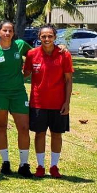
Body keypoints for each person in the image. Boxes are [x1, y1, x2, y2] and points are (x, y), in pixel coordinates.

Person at [0, 20, 33, 177]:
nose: (7, 33)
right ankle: (5, 162)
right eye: (4, 30)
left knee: (24, 127)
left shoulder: (20, 45)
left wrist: (26, 72)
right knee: (1, 126)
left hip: (18, 93)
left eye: (10, 31)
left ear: (13, 33)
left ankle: (24, 164)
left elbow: (36, 55)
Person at [24, 24, 73, 178]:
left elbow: (68, 80)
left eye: (50, 36)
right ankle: (40, 166)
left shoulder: (64, 54)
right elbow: (24, 73)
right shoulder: (32, 54)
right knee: (39, 134)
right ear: (39, 37)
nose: (47, 39)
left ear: (55, 37)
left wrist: (67, 102)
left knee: (57, 134)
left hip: (58, 103)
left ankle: (54, 166)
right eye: (43, 36)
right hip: (38, 102)